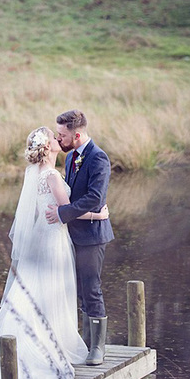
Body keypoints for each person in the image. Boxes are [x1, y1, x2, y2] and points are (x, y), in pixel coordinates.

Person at [0, 126, 109, 379]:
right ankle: (48, 348)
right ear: (48, 147)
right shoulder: (52, 176)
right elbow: (68, 211)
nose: (58, 140)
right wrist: (98, 216)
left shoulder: (35, 174)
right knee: (50, 293)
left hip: (39, 239)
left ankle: (45, 341)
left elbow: (46, 211)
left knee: (35, 293)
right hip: (53, 241)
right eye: (55, 138)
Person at [45, 109, 114, 366]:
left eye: (62, 135)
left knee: (91, 289)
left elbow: (96, 198)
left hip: (92, 237)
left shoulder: (98, 158)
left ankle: (98, 348)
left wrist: (63, 213)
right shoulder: (71, 156)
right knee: (80, 292)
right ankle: (85, 342)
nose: (59, 140)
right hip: (72, 234)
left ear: (76, 135)